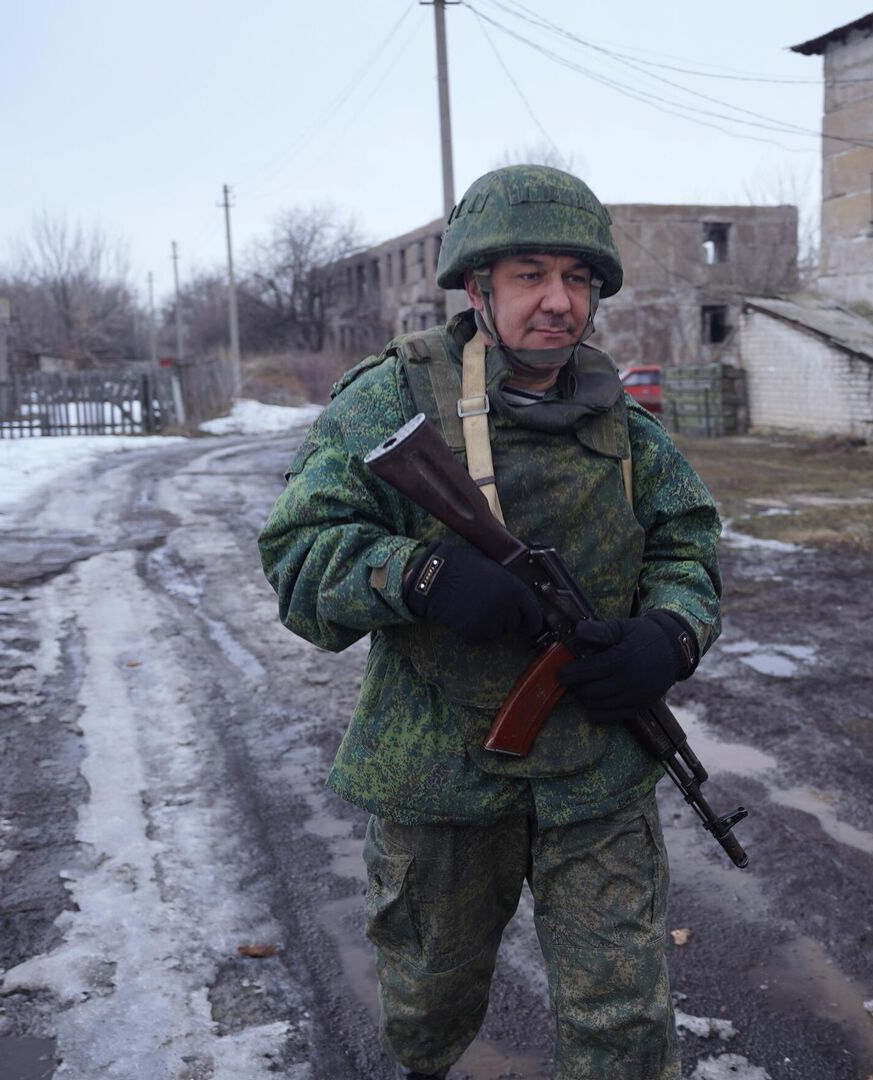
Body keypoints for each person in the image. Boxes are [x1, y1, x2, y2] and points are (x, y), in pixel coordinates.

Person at [257, 164, 722, 1079]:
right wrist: (417, 573)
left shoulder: (626, 425)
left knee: (623, 1020)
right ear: (477, 287)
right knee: (428, 1006)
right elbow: (298, 559)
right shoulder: (391, 402)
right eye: (531, 276)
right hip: (436, 779)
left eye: (579, 279)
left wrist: (666, 636)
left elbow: (689, 551)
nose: (560, 302)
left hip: (597, 779)